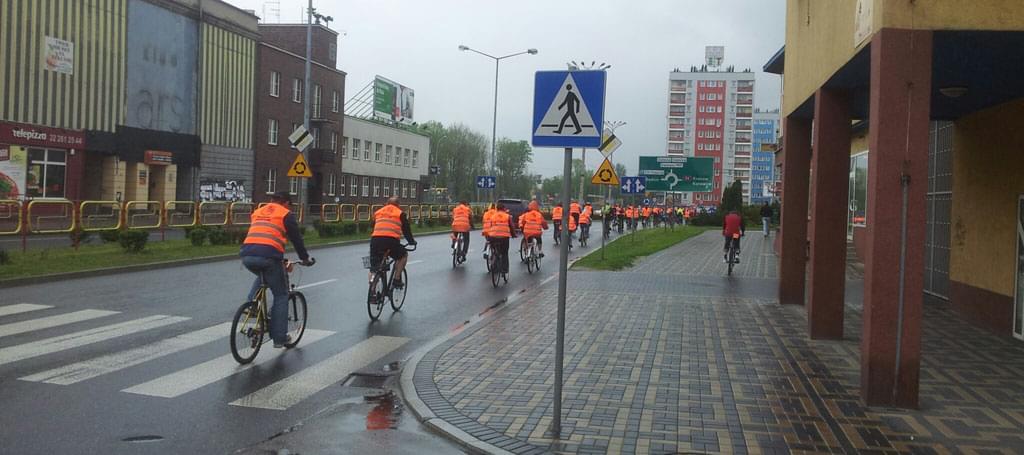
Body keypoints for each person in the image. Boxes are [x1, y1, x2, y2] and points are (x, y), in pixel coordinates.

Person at [240, 191, 313, 348]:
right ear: (286, 203)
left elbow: (263, 236)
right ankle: (280, 338)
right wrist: (305, 258)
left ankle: (252, 305)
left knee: (264, 276)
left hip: (247, 256)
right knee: (281, 295)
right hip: (269, 257)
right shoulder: (285, 214)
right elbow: (296, 239)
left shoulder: (258, 211)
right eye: (290, 205)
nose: (290, 208)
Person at [370, 196, 417, 288]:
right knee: (403, 255)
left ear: (387, 203)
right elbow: (406, 231)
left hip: (375, 241)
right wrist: (411, 241)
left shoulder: (378, 212)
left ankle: (372, 289)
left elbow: (372, 225)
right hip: (391, 241)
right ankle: (396, 279)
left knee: (374, 268)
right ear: (398, 205)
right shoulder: (400, 213)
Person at [489, 203, 517, 273]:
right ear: (504, 209)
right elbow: (512, 226)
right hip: (504, 237)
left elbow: (490, 226)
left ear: (497, 209)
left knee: (495, 250)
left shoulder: (492, 216)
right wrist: (513, 234)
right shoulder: (507, 216)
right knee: (504, 253)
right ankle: (504, 269)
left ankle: (494, 261)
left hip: (493, 237)